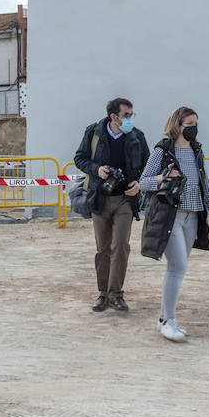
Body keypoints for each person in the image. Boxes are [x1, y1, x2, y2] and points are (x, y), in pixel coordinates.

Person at [136, 107, 209, 341]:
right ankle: (168, 321)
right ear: (177, 125)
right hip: (169, 216)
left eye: (196, 122)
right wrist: (163, 177)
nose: (194, 127)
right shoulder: (162, 150)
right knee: (178, 267)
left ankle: (164, 318)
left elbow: (205, 185)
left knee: (177, 269)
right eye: (189, 123)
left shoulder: (197, 151)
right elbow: (143, 182)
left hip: (193, 217)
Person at [74, 98, 150, 312]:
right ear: (113, 117)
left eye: (132, 115)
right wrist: (96, 169)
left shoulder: (137, 137)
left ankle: (116, 293)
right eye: (127, 115)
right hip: (99, 198)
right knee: (103, 248)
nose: (130, 119)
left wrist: (140, 183)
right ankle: (103, 293)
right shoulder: (94, 133)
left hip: (125, 200)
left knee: (121, 246)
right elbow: (80, 158)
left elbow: (148, 165)